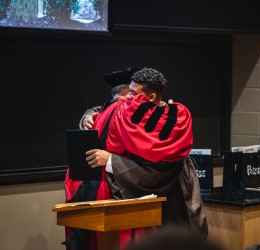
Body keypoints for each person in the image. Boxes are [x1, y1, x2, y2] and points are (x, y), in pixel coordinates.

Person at [86, 67, 208, 244]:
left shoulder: (172, 124)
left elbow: (153, 175)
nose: (128, 97)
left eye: (133, 93)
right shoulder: (136, 114)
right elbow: (110, 107)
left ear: (151, 98)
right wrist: (89, 115)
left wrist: (111, 160)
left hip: (174, 194)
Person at [63, 67, 139, 250]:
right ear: (128, 92)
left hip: (81, 183)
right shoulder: (126, 112)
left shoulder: (99, 113)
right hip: (110, 185)